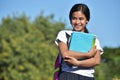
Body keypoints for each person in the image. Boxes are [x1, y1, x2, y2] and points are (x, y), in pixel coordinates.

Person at [55, 3, 103, 80]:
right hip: (68, 75)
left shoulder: (94, 39)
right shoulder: (64, 34)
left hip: (88, 77)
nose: (77, 22)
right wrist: (88, 54)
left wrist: (78, 63)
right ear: (70, 19)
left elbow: (96, 61)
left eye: (81, 19)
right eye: (74, 18)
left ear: (87, 20)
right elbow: (65, 54)